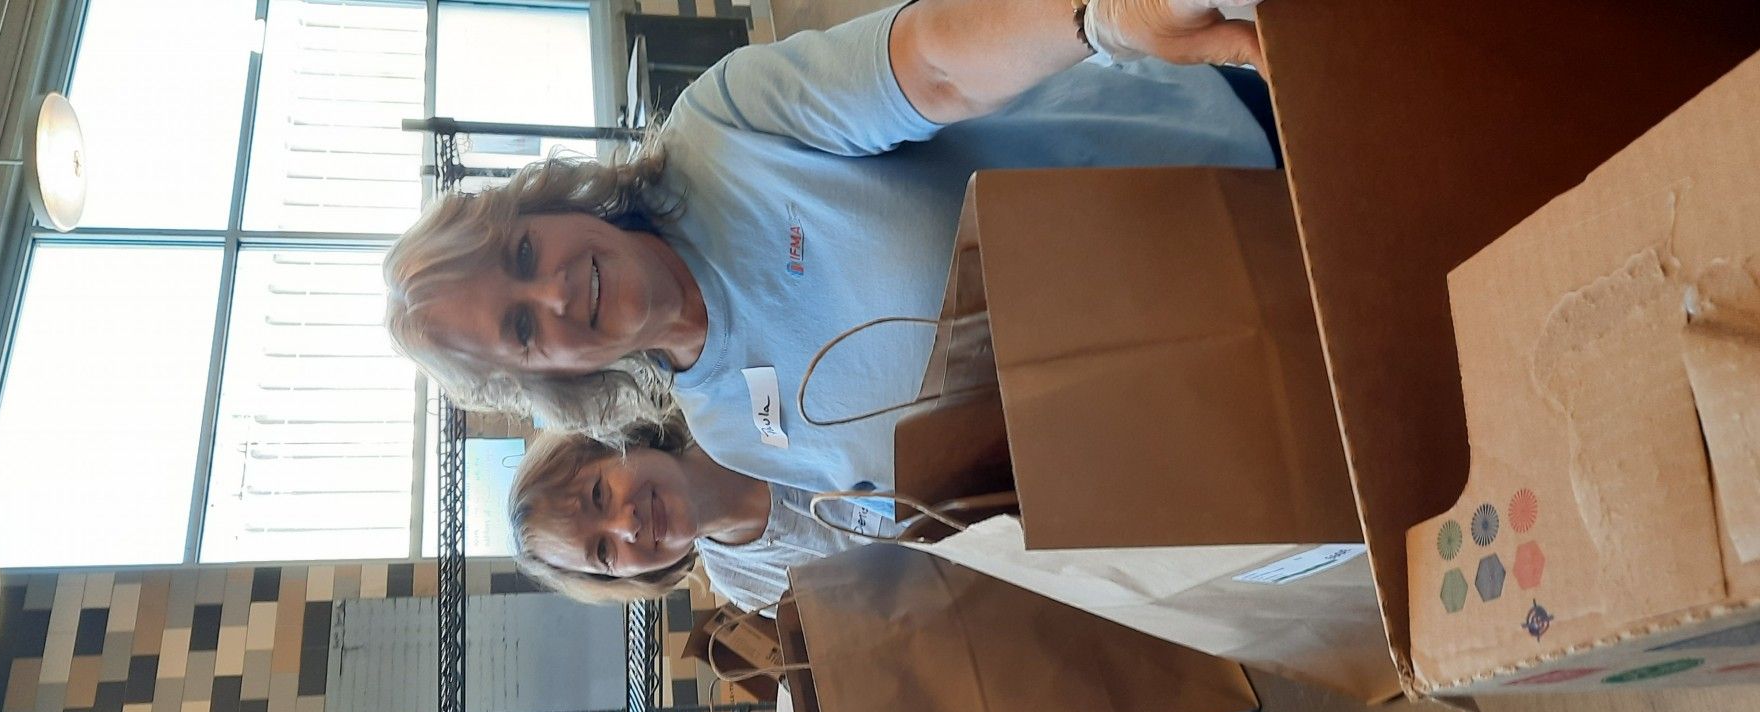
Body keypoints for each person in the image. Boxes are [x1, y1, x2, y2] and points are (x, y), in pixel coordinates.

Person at [386, 0, 1275, 502]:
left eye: (521, 253)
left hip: (1245, 170)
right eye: (521, 328)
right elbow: (929, 494)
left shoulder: (720, 132)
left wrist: (1097, 15)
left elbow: (931, 66)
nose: (553, 290)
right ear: (549, 377)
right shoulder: (731, 431)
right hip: (1237, 393)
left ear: (544, 206)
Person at [506, 418, 894, 614]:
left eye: (598, 494)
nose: (627, 526)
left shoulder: (738, 409)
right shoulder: (744, 586)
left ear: (619, 442)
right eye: (604, 552)